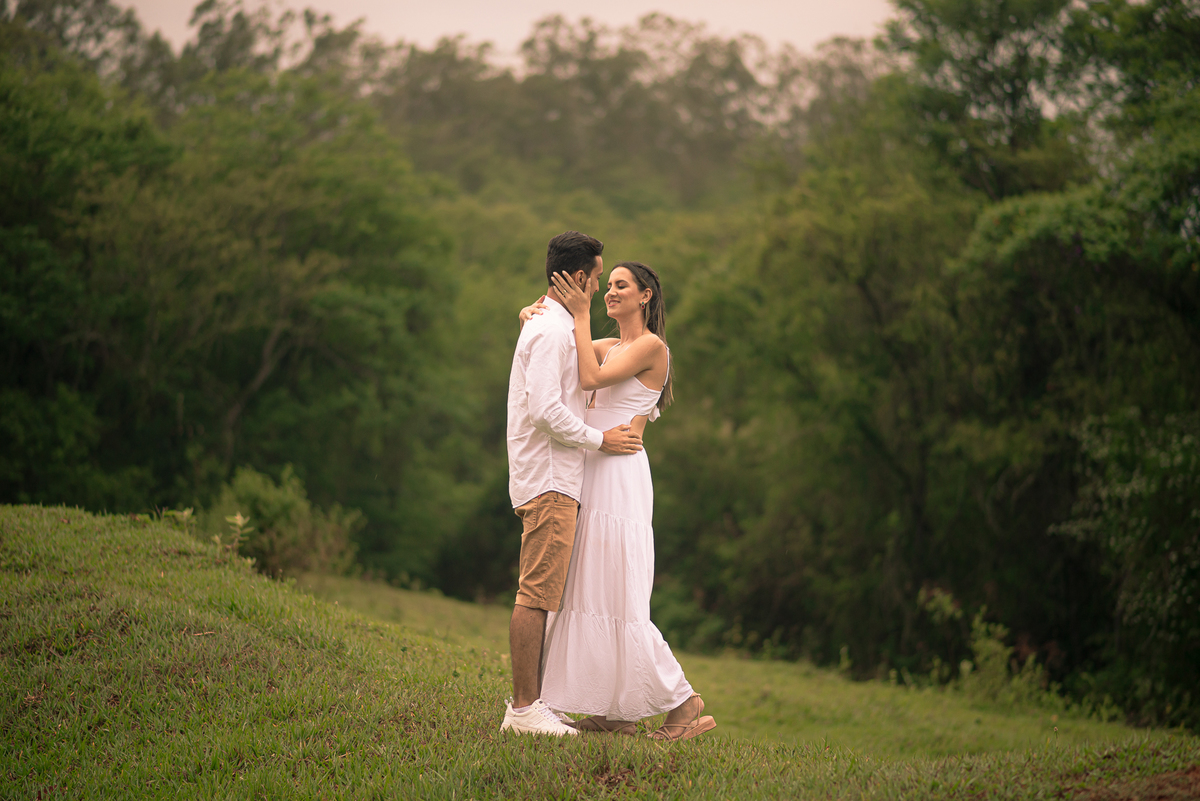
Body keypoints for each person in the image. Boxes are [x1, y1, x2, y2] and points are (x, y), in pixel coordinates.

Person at [521, 260, 717, 741]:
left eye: (620, 286)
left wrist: (581, 311)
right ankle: (615, 713)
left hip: (621, 476)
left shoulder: (652, 346)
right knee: (591, 589)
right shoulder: (612, 345)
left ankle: (684, 703)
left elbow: (588, 379)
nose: (609, 292)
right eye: (606, 286)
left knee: (620, 595)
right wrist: (536, 313)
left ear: (645, 296)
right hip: (593, 468)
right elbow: (563, 353)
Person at [500, 231, 645, 737]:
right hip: (550, 476)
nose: (602, 285)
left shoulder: (556, 323)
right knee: (536, 594)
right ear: (579, 278)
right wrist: (597, 440)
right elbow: (544, 410)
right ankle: (523, 710)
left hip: (558, 476)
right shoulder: (551, 331)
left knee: (545, 593)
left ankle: (535, 703)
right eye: (600, 276)